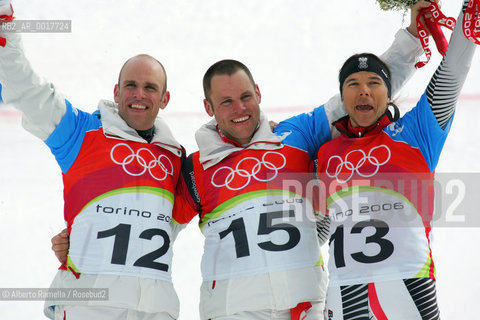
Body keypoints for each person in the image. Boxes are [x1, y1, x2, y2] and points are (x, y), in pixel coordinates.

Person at [281, 0, 477, 318]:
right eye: (353, 85)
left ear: (389, 94)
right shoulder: (327, 154)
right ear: (341, 99)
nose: (364, 92)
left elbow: (452, 74)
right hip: (346, 295)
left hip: (408, 287)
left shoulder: (416, 131)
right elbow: (319, 233)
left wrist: (469, 17)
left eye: (374, 83)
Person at [0, 3, 184, 320]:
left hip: (154, 310)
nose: (139, 94)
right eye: (131, 85)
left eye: (150, 87)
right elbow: (27, 89)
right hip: (88, 307)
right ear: (116, 91)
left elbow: (180, 217)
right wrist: (7, 28)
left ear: (164, 98)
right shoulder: (79, 131)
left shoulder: (177, 160)